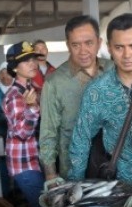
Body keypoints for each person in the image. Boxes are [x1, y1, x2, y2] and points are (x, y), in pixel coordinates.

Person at [68, 13, 132, 199]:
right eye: (119, 47)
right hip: (123, 191)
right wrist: (75, 187)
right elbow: (81, 140)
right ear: (109, 49)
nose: (127, 55)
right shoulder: (97, 91)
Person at [39, 15, 112, 180]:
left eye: (89, 43)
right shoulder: (54, 82)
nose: (83, 51)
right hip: (74, 172)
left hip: (115, 166)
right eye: (75, 45)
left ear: (99, 43)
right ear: (68, 46)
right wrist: (50, 174)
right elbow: (48, 133)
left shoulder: (113, 71)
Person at [3, 41, 46, 207]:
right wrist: (31, 108)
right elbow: (22, 133)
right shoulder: (15, 96)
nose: (32, 64)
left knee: (43, 206)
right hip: (24, 164)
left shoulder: (29, 89)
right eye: (26, 61)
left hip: (31, 160)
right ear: (14, 68)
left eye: (33, 59)